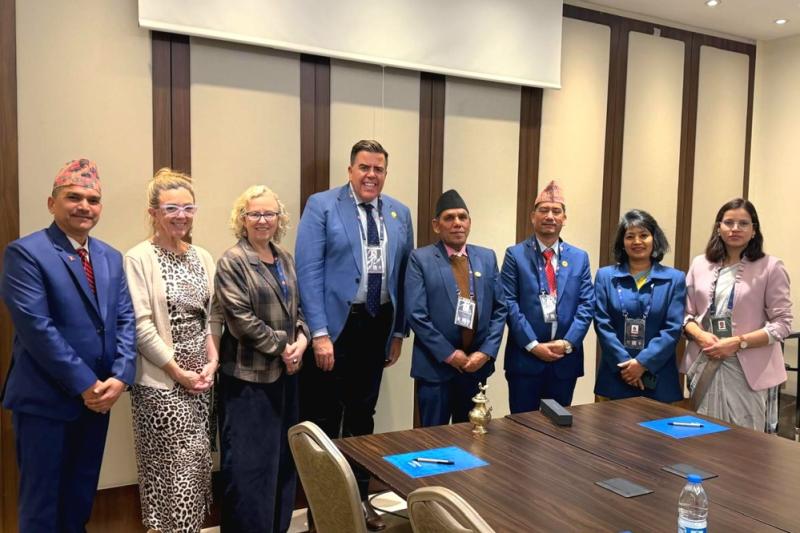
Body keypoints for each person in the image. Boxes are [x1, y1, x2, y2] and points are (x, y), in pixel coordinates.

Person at [1, 159, 136, 532]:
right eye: (74, 197)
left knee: (79, 501)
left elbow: (125, 319)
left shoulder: (110, 257)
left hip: (98, 402)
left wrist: (121, 376)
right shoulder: (26, 253)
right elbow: (37, 329)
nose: (84, 206)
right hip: (46, 402)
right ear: (51, 203)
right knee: (42, 508)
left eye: (93, 200)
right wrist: (86, 384)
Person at [295, 139, 413, 530]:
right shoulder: (323, 206)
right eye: (364, 167)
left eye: (378, 169)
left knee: (363, 418)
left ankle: (361, 504)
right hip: (334, 329)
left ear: (385, 173)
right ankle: (323, 514)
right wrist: (319, 334)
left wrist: (398, 332)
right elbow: (308, 272)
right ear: (350, 170)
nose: (371, 175)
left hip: (376, 325)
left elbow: (403, 277)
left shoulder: (399, 213)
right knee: (325, 420)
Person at [124, 168, 221, 532]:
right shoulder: (138, 258)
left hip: (202, 384)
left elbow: (213, 317)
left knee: (196, 469)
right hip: (162, 387)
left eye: (188, 208)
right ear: (154, 212)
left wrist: (212, 362)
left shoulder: (203, 257)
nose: (181, 215)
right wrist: (179, 373)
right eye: (171, 208)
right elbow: (141, 326)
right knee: (171, 475)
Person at [215, 186, 309, 533]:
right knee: (248, 470)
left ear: (279, 219)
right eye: (254, 213)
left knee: (283, 463)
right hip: (248, 382)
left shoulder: (285, 258)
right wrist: (284, 347)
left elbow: (300, 310)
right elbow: (241, 320)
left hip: (287, 378)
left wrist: (302, 341)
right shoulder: (232, 261)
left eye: (269, 213)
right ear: (242, 219)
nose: (262, 220)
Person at [682, 198, 792, 431]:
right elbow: (685, 314)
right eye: (729, 222)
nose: (735, 229)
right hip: (706, 359)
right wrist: (700, 336)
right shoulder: (700, 264)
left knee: (743, 441)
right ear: (718, 227)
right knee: (701, 435)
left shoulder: (771, 267)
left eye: (743, 223)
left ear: (754, 230)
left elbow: (782, 324)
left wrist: (738, 342)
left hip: (747, 369)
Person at [405, 190, 506, 426]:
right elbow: (416, 315)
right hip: (436, 367)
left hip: (475, 367)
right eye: (449, 218)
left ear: (470, 222)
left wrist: (486, 352)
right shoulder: (420, 259)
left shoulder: (486, 257)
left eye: (462, 217)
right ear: (436, 225)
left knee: (472, 438)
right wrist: (450, 355)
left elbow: (500, 309)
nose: (457, 223)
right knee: (433, 440)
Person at [501, 180, 594, 413]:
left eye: (556, 211)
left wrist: (567, 343)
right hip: (525, 360)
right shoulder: (515, 255)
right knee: (522, 427)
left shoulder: (579, 258)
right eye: (543, 210)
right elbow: (509, 303)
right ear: (533, 217)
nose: (550, 216)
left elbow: (587, 304)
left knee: (559, 426)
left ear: (564, 218)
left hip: (565, 361)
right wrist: (533, 345)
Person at [593, 210, 685, 402]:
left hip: (658, 376)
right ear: (622, 242)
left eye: (644, 235)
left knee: (659, 423)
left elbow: (673, 328)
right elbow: (602, 324)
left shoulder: (674, 278)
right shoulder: (605, 276)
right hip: (616, 374)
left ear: (654, 240)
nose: (637, 241)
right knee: (608, 423)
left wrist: (643, 363)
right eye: (630, 236)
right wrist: (627, 365)